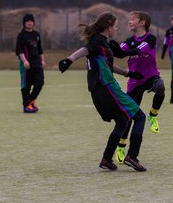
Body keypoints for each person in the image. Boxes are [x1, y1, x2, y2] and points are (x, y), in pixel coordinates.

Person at [58, 12, 147, 172]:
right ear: (108, 27)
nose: (116, 29)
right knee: (139, 117)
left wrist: (128, 73)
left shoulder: (101, 44)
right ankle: (132, 156)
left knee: (122, 121)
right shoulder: (98, 42)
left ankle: (106, 159)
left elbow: (107, 65)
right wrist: (69, 59)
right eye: (115, 26)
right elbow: (85, 49)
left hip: (99, 92)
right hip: (107, 88)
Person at [109, 11, 165, 164]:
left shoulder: (151, 39)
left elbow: (140, 50)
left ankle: (153, 115)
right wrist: (110, 48)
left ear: (142, 23)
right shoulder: (128, 40)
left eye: (133, 19)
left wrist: (122, 52)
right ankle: (121, 146)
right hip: (134, 80)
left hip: (150, 76)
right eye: (130, 19)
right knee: (128, 117)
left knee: (160, 87)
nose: (130, 22)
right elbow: (120, 51)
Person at [15, 14, 46, 113]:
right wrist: (24, 61)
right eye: (27, 21)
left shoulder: (36, 34)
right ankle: (26, 106)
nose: (30, 23)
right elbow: (19, 50)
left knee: (40, 83)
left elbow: (40, 49)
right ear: (24, 23)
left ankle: (31, 100)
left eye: (31, 21)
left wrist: (42, 60)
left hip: (37, 63)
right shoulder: (21, 35)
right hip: (26, 64)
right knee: (26, 86)